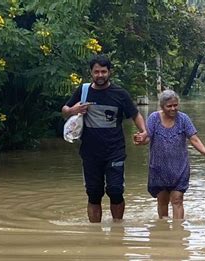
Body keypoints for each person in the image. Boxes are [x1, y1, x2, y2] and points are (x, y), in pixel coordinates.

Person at [61, 55, 147, 223]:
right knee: (93, 193)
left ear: (109, 72)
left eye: (103, 71)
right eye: (96, 72)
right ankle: (95, 233)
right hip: (90, 152)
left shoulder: (120, 94)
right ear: (91, 73)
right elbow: (64, 110)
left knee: (115, 191)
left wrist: (144, 132)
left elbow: (135, 114)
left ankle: (117, 229)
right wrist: (73, 109)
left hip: (115, 150)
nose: (100, 75)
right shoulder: (83, 91)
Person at [134, 90, 205, 219]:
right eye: (169, 106)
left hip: (179, 168)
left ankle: (178, 233)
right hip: (158, 168)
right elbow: (147, 138)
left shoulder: (183, 119)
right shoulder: (154, 118)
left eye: (175, 105)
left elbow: (193, 139)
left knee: (177, 200)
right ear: (162, 106)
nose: (173, 108)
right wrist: (141, 140)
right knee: (162, 201)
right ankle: (164, 230)